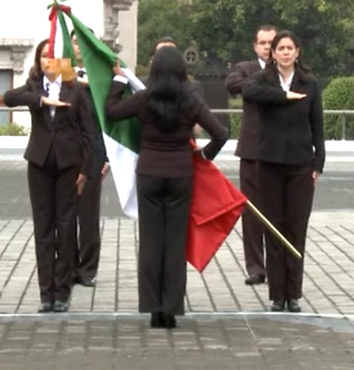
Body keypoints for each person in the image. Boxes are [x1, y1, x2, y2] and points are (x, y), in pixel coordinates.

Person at [105, 46, 228, 329]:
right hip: (181, 175)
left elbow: (111, 112)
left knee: (150, 242)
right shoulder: (191, 100)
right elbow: (220, 133)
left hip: (149, 173)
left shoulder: (143, 99)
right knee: (174, 243)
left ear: (155, 69)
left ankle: (152, 309)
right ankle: (171, 309)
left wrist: (120, 80)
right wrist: (204, 154)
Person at [3, 38, 93, 314]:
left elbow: (89, 135)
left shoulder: (76, 89)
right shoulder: (33, 87)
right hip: (40, 163)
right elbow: (9, 99)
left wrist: (85, 170)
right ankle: (46, 292)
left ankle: (62, 292)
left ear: (63, 60)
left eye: (53, 55)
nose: (48, 60)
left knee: (65, 229)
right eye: (43, 56)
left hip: (68, 164)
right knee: (43, 228)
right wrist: (40, 99)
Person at [241, 30, 325, 313]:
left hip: (301, 165)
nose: (285, 52)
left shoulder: (310, 84)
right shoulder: (262, 81)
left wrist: (318, 164)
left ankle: (294, 293)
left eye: (290, 48)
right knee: (274, 228)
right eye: (280, 48)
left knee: (295, 229)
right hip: (269, 164)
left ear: (297, 52)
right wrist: (283, 96)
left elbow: (318, 127)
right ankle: (278, 294)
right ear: (272, 53)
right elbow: (248, 91)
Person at [224, 24, 277, 286]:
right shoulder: (246, 69)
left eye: (272, 43)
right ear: (255, 46)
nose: (268, 47)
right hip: (252, 149)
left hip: (279, 150)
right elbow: (231, 84)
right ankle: (256, 267)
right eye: (263, 43)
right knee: (253, 210)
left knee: (277, 209)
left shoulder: (288, 69)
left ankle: (278, 264)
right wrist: (263, 79)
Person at [71, 32, 109, 288]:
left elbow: (110, 120)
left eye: (84, 43)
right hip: (65, 154)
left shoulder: (102, 78)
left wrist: (108, 157)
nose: (79, 47)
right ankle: (67, 266)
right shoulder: (59, 73)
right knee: (64, 215)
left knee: (88, 216)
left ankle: (87, 269)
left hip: (94, 155)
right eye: (75, 41)